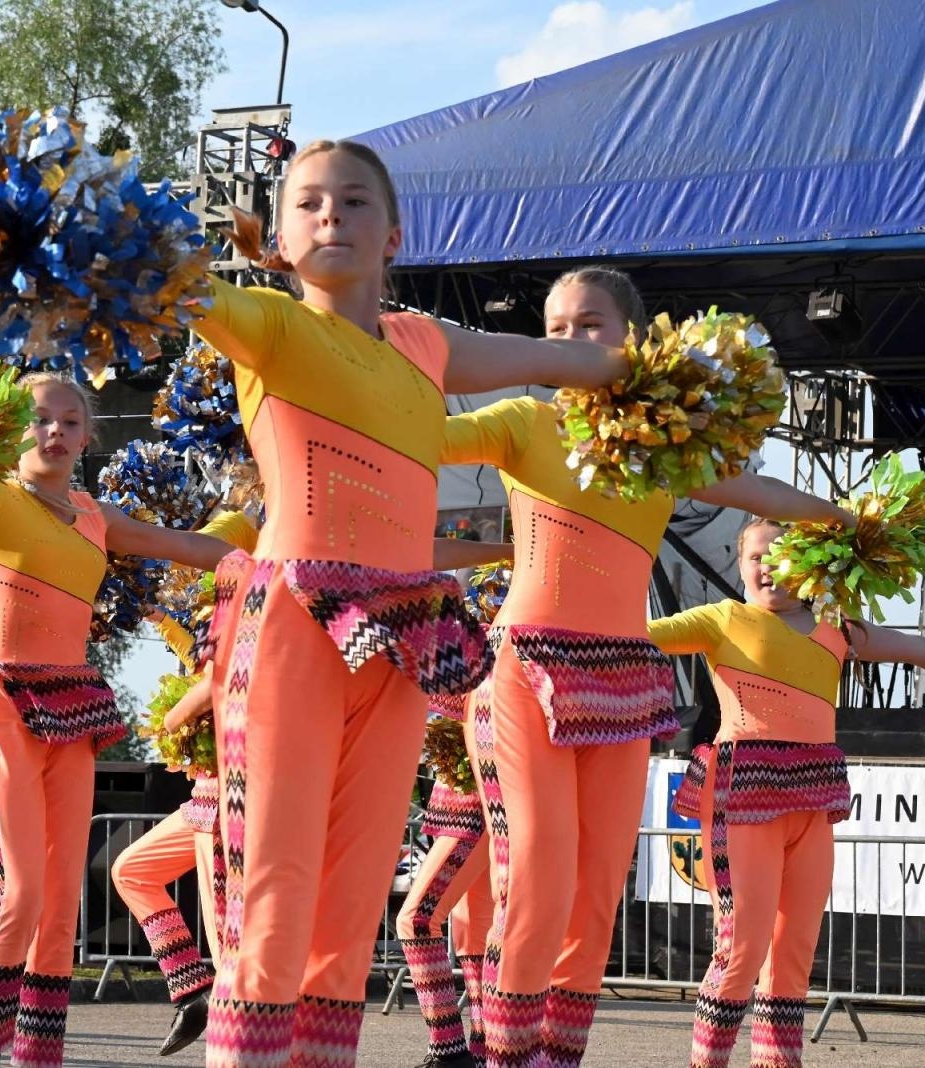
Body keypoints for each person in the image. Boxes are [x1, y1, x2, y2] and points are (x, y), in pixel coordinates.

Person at [193, 139, 632, 1066]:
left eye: (355, 201)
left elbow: (558, 359)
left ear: (394, 234)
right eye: (309, 203)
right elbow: (168, 289)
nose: (331, 215)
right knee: (276, 878)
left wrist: (676, 381)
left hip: (401, 635)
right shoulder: (268, 325)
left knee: (353, 896)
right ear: (278, 241)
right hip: (295, 620)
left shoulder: (427, 345)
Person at [441, 266, 855, 1067]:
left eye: (588, 325)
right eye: (553, 329)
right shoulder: (524, 421)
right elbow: (423, 433)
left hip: (623, 680)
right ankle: (505, 1054)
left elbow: (760, 492)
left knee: (597, 890)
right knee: (539, 870)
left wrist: (846, 519)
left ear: (634, 342)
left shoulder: (665, 457)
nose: (567, 342)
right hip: (525, 671)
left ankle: (557, 1056)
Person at [0, 372, 230, 1068]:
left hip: (74, 706)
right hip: (4, 704)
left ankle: (38, 1054)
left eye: (71, 422)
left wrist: (272, 555)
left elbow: (185, 546)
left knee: (60, 898)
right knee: (19, 892)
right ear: (13, 429)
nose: (55, 432)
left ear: (87, 436)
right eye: (41, 419)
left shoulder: (95, 516)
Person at [650, 516, 925, 1068]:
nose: (767, 568)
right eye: (756, 557)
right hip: (742, 799)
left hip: (813, 800)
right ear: (739, 565)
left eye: (780, 556)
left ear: (807, 564)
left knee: (793, 951)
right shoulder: (722, 619)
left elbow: (908, 646)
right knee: (741, 949)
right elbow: (641, 633)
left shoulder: (835, 625)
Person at [107, 508, 259, 1059]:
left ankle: (239, 1041)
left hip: (230, 794)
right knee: (132, 870)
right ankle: (193, 991)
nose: (194, 570)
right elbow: (198, 659)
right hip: (207, 796)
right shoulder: (218, 609)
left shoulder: (250, 597)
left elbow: (217, 681)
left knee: (230, 941)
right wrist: (152, 609)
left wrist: (171, 720)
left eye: (204, 558)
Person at [395, 696, 494, 1068]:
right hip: (463, 795)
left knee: (416, 919)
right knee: (472, 933)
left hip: (475, 800)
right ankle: (484, 1051)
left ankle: (448, 1048)